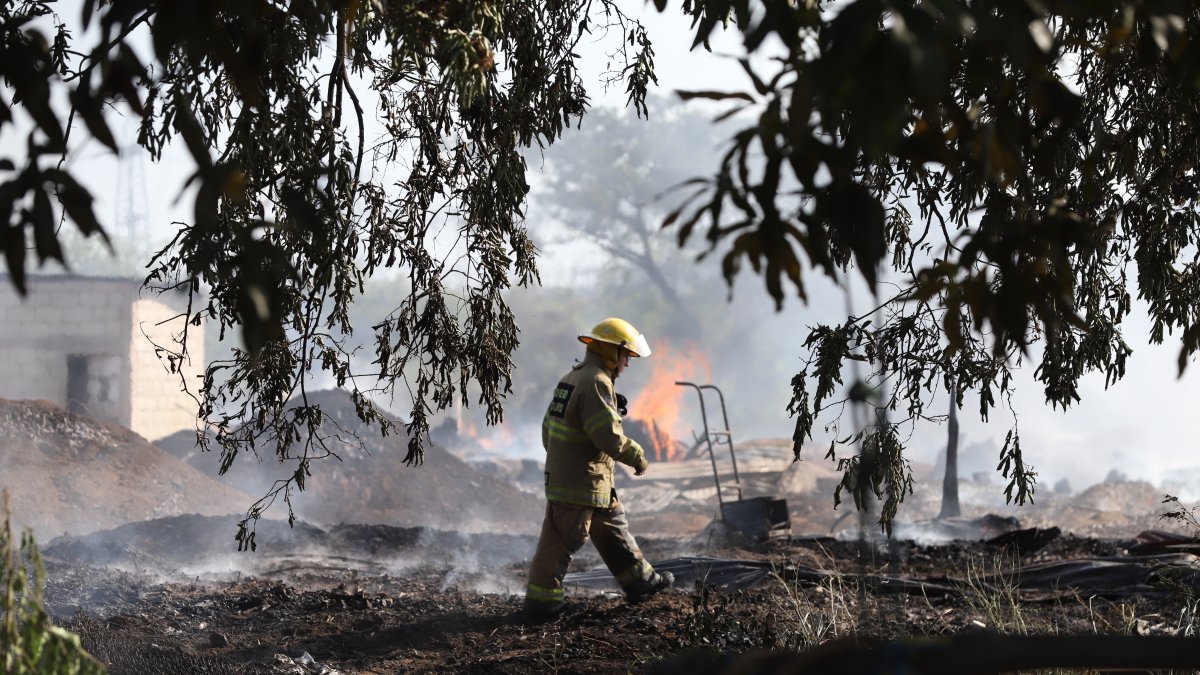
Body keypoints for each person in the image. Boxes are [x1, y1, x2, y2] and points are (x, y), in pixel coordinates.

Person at [523, 317, 674, 618]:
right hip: (580, 480)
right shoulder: (595, 382)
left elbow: (547, 428)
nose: (628, 364)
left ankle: (640, 581)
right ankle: (542, 602)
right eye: (626, 356)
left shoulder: (574, 376)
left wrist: (560, 457)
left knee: (612, 526)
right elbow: (607, 434)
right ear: (611, 352)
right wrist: (637, 456)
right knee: (564, 538)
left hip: (587, 477)